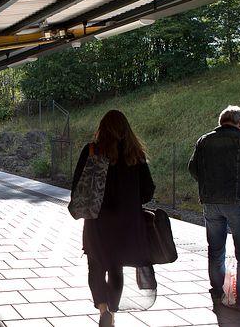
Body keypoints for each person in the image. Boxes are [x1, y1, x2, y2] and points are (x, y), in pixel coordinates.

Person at [72, 110, 155, 326]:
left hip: (97, 222)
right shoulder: (134, 155)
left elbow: (77, 186)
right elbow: (148, 191)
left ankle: (102, 311)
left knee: (95, 267)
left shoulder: (91, 150)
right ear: (126, 129)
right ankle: (112, 310)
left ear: (102, 128)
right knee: (116, 268)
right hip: (126, 224)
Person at [189, 105, 240, 313]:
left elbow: (193, 169)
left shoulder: (204, 141)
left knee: (215, 250)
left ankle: (218, 293)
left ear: (221, 121)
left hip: (211, 202)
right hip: (239, 202)